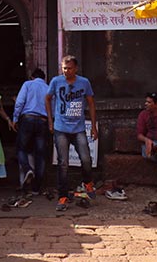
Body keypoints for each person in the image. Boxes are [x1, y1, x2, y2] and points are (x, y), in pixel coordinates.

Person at [45, 55, 97, 212]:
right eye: (64, 68)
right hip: (61, 128)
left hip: (79, 128)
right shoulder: (56, 81)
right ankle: (62, 196)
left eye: (69, 68)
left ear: (76, 68)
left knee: (86, 158)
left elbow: (91, 104)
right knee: (63, 163)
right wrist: (50, 120)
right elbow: (47, 99)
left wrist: (93, 126)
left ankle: (88, 182)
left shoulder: (84, 82)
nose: (66, 71)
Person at [13, 68, 49, 192]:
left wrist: (15, 118)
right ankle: (36, 188)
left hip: (27, 119)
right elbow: (52, 106)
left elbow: (19, 102)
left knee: (21, 148)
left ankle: (27, 168)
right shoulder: (48, 87)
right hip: (43, 121)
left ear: (32, 77)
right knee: (41, 154)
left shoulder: (28, 84)